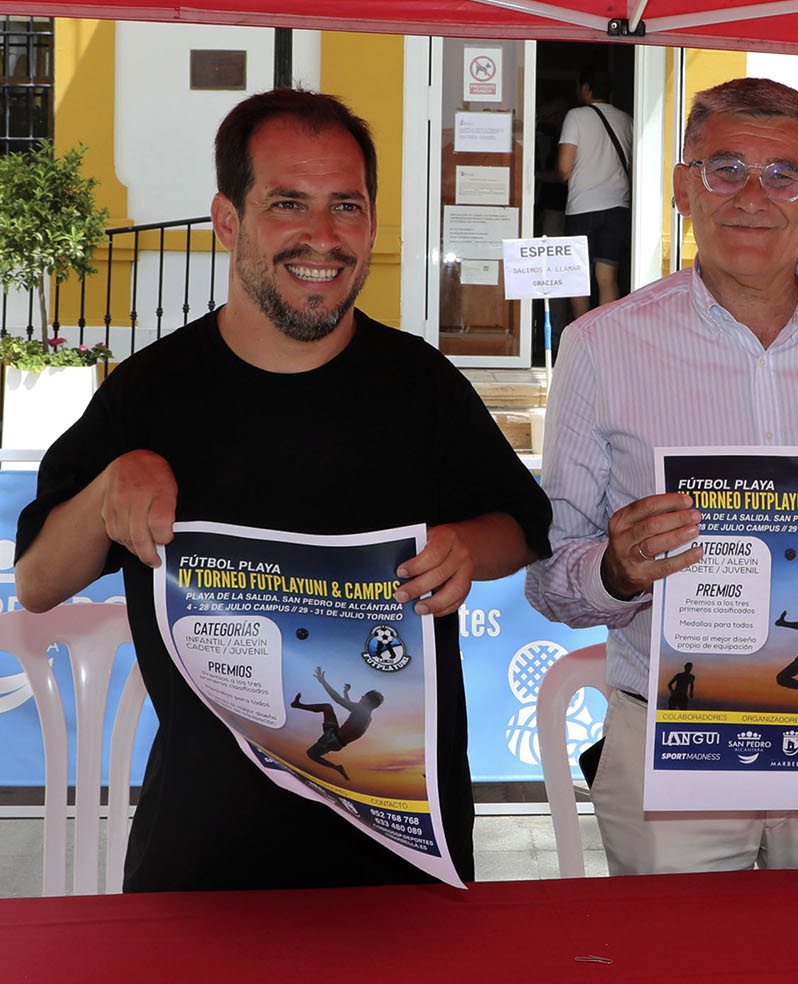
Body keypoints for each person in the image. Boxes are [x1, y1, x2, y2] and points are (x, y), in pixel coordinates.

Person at [12, 88, 553, 892]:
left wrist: (471, 547)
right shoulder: (150, 393)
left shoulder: (421, 386)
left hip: (403, 856)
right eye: (288, 204)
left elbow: (522, 524)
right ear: (228, 221)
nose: (324, 238)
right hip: (203, 853)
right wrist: (107, 493)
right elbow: (37, 582)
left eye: (348, 207)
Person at [525, 77, 798, 874]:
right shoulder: (601, 346)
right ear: (680, 187)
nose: (752, 196)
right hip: (670, 737)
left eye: (783, 174)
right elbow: (551, 576)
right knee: (678, 964)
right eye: (723, 167)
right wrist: (617, 572)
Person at [557, 64, 633, 311]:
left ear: (586, 88)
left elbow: (563, 169)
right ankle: (605, 342)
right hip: (617, 207)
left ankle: (582, 343)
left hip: (582, 207)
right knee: (607, 276)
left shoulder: (576, 116)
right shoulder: (627, 120)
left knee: (578, 278)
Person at [292, 667, 383, 782]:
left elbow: (338, 700)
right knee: (327, 707)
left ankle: (336, 768)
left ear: (367, 701)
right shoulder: (366, 714)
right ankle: (297, 705)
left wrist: (323, 681)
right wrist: (346, 692)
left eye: (363, 696)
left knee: (311, 754)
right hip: (336, 735)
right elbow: (348, 704)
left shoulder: (362, 711)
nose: (361, 697)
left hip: (334, 740)